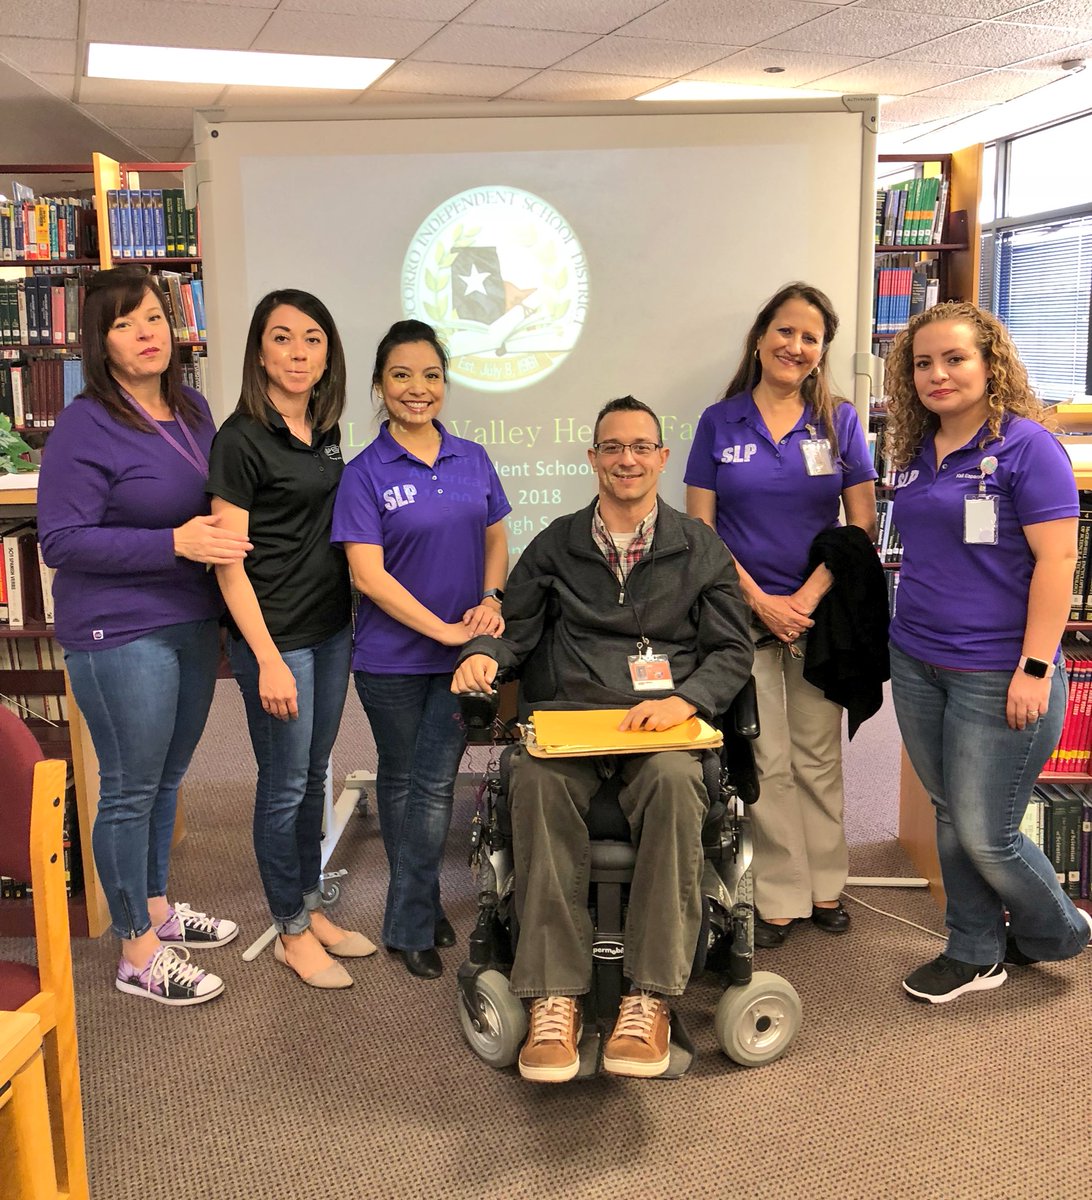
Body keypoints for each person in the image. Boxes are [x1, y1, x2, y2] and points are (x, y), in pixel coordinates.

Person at [452, 396, 753, 1082]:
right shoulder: (556, 543)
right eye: (612, 447)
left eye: (641, 447)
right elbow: (515, 628)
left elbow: (732, 651)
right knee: (533, 777)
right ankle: (553, 996)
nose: (627, 460)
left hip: (664, 728)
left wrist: (684, 701)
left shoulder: (699, 547)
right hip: (572, 722)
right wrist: (483, 657)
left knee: (676, 783)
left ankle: (650, 998)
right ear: (592, 458)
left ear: (662, 458)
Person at [37, 266, 249, 1006]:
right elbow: (61, 540)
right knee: (128, 789)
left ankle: (156, 908)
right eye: (123, 325)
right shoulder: (84, 424)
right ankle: (135, 951)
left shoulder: (192, 408)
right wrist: (173, 544)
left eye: (153, 317)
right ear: (100, 343)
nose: (145, 333)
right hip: (119, 629)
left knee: (166, 777)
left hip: (189, 618)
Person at [884, 301, 1092, 1003]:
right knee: (949, 811)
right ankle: (974, 951)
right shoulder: (917, 449)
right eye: (923, 363)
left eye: (955, 358)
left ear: (990, 363)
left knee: (988, 834)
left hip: (998, 669)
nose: (937, 374)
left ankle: (1059, 930)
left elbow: (1058, 561)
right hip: (917, 657)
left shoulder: (1030, 448)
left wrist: (1035, 666)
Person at [684, 283, 877, 947]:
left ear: (822, 351)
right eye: (785, 331)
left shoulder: (839, 420)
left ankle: (827, 885)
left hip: (821, 615)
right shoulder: (719, 421)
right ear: (762, 336)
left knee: (818, 753)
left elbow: (861, 524)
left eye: (810, 337)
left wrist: (806, 600)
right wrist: (761, 602)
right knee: (765, 758)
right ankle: (781, 894)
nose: (795, 346)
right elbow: (702, 529)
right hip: (742, 615)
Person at [332, 319, 510, 980]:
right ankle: (418, 910)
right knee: (403, 779)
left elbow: (496, 535)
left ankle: (409, 919)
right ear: (380, 385)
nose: (418, 388)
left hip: (462, 659)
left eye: (431, 375)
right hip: (390, 660)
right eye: (402, 375)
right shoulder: (364, 473)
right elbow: (367, 575)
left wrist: (491, 597)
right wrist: (443, 630)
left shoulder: (472, 458)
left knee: (429, 785)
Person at [207, 289, 374, 991]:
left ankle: (309, 906)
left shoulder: (323, 428)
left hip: (330, 629)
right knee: (282, 787)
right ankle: (290, 930)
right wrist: (268, 659)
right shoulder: (241, 438)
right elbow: (227, 562)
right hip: (275, 640)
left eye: (312, 339)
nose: (298, 352)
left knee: (312, 776)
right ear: (259, 350)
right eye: (282, 337)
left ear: (328, 353)